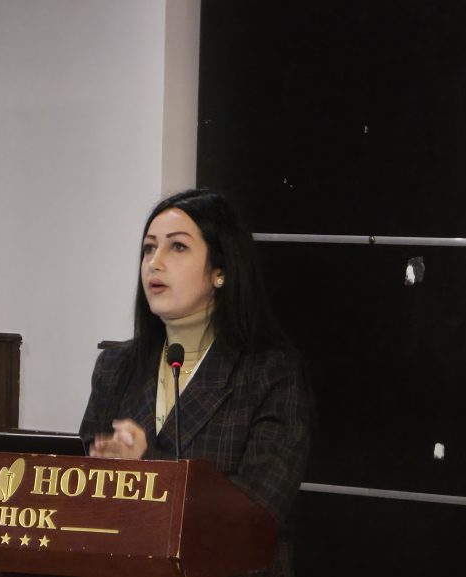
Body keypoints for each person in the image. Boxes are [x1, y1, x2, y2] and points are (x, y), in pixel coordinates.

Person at [79, 188, 312, 577]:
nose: (155, 263)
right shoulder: (115, 367)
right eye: (149, 248)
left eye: (178, 247)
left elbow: (257, 511)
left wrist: (146, 469)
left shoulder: (271, 372)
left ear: (220, 270)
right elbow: (81, 498)